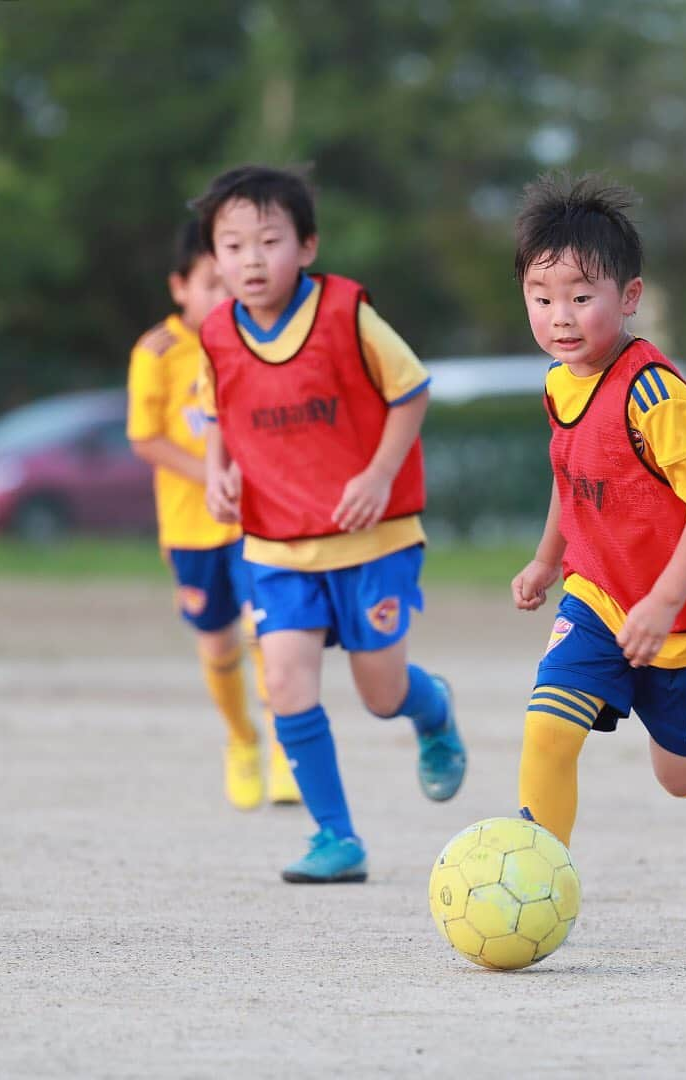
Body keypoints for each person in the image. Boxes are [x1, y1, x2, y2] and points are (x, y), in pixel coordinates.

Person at [192, 164, 466, 883]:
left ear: (307, 246)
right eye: (232, 246)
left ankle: (431, 710)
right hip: (276, 544)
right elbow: (219, 410)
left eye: (269, 241)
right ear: (214, 258)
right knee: (284, 683)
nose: (251, 260)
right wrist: (220, 469)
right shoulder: (217, 333)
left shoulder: (347, 315)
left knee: (381, 695)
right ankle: (335, 838)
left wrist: (377, 475)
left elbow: (412, 393)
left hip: (372, 538)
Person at [509, 174, 686, 849]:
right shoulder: (559, 383)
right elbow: (571, 476)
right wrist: (546, 559)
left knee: (681, 776)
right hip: (597, 594)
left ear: (629, 298)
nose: (559, 316)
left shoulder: (657, 398)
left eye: (581, 297)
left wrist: (662, 601)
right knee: (548, 729)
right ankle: (540, 873)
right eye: (541, 298)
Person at [127, 221, 300, 811]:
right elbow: (146, 439)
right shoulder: (157, 353)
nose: (222, 296)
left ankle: (284, 748)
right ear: (180, 287)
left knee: (268, 634)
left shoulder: (257, 341)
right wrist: (217, 476)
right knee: (218, 643)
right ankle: (241, 738)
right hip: (191, 527)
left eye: (229, 284)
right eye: (209, 284)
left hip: (255, 523)